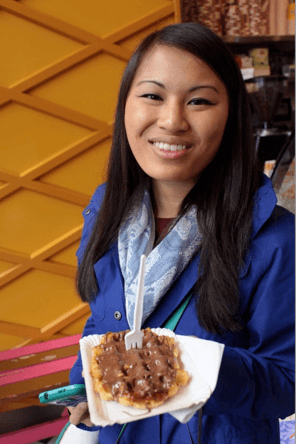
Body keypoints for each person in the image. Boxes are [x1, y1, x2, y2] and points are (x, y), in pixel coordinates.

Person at [64, 22, 294, 444]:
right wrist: (85, 385)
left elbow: (286, 385)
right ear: (124, 108)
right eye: (152, 95)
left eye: (199, 101)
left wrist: (190, 366)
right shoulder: (105, 214)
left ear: (231, 118)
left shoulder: (277, 240)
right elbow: (103, 321)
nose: (172, 121)